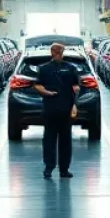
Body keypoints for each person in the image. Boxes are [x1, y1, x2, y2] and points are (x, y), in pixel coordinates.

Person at [34, 42, 79, 179]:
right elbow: (37, 85)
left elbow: (76, 87)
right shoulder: (44, 69)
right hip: (51, 109)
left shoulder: (71, 68)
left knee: (63, 140)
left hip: (64, 109)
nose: (58, 53)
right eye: (57, 51)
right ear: (53, 52)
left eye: (59, 51)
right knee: (50, 139)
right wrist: (47, 93)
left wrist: (74, 104)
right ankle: (50, 167)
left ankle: (62, 169)